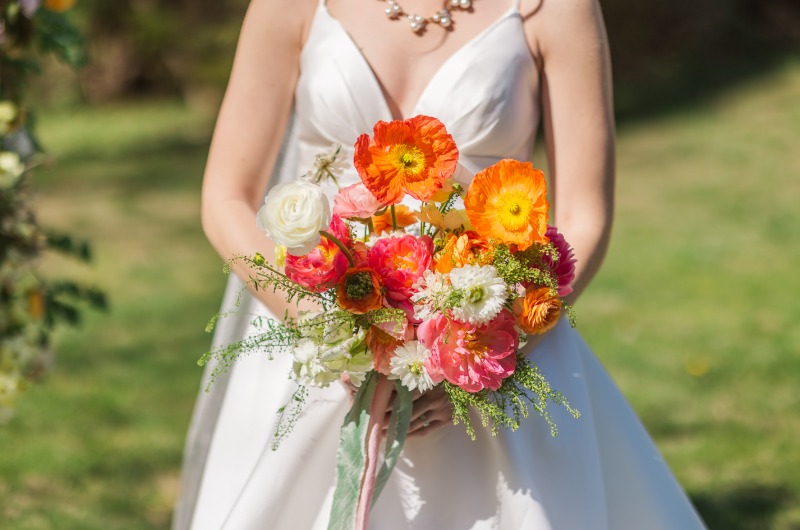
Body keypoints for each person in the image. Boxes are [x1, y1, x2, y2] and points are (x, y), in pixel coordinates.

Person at [173, 0, 707, 528]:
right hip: (311, 337)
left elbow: (585, 217)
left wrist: (482, 357)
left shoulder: (557, 9)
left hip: (489, 337)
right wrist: (333, 336)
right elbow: (227, 198)